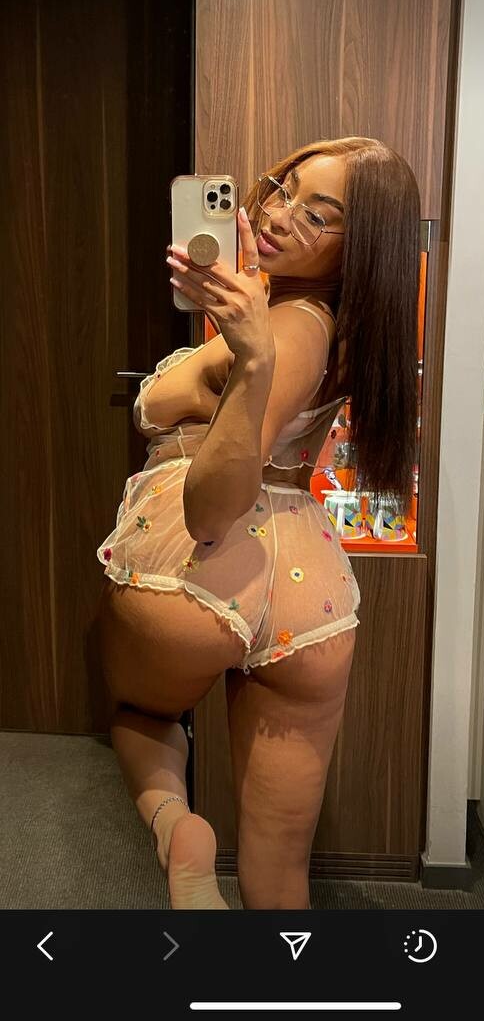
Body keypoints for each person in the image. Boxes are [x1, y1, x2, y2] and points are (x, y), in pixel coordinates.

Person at [96, 136, 421, 910]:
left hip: (199, 569)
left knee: (142, 716)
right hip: (307, 594)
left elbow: (212, 513)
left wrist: (249, 360)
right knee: (279, 872)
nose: (277, 214)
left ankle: (176, 827)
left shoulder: (289, 330)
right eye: (284, 188)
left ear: (359, 247)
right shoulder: (326, 322)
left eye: (318, 215)